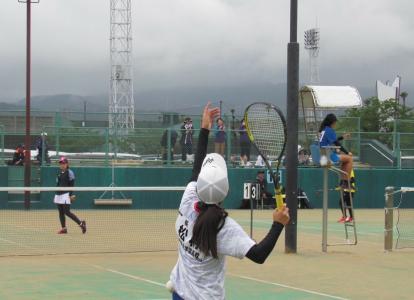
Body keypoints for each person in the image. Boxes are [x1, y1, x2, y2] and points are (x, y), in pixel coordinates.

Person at [169, 103, 290, 300]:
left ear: (199, 184)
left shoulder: (188, 199)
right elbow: (259, 255)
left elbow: (196, 167)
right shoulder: (224, 227)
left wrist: (205, 129)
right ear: (225, 192)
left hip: (179, 294)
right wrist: (278, 224)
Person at [319, 114, 353, 187]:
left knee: (345, 160)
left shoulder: (323, 130)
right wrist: (347, 152)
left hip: (322, 157)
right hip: (328, 157)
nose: (335, 124)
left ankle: (343, 181)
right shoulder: (329, 130)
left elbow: (333, 140)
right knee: (349, 158)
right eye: (335, 123)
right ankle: (346, 182)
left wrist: (342, 137)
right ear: (332, 122)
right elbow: (337, 143)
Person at [54, 157, 86, 234]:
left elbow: (72, 184)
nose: (62, 165)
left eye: (63, 163)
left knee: (67, 212)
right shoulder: (59, 174)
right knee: (61, 212)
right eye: (61, 163)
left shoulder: (70, 172)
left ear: (67, 164)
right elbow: (58, 185)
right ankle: (64, 229)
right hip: (59, 195)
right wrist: (57, 194)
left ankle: (81, 224)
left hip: (66, 194)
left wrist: (70, 195)